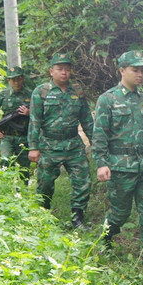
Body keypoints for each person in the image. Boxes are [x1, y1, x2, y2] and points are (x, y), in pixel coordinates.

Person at [91, 51, 143, 269]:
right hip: (120, 167)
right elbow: (100, 134)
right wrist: (101, 162)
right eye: (135, 70)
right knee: (119, 213)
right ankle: (105, 239)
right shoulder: (108, 100)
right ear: (122, 70)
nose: (140, 74)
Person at [28, 53, 94, 229]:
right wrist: (33, 147)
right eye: (60, 69)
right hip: (49, 144)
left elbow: (86, 119)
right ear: (51, 71)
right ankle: (43, 214)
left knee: (83, 180)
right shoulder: (41, 92)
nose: (64, 73)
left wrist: (96, 142)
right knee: (45, 182)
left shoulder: (77, 91)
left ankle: (77, 217)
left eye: (67, 69)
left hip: (73, 144)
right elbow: (34, 121)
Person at [0, 66, 32, 180]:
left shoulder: (31, 95)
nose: (16, 82)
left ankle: (23, 192)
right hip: (7, 137)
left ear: (22, 79)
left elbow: (42, 113)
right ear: (8, 81)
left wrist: (30, 113)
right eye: (13, 79)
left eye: (18, 79)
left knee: (24, 169)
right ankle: (6, 190)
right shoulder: (3, 95)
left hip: (25, 137)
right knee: (5, 162)